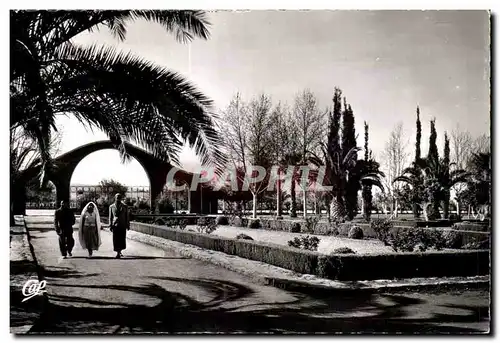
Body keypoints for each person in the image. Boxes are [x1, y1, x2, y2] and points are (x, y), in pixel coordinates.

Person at [109, 193, 129, 258]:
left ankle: (119, 251)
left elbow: (127, 216)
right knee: (116, 239)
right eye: (117, 197)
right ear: (115, 198)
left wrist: (127, 225)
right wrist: (110, 225)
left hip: (122, 225)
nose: (118, 199)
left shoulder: (125, 206)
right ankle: (118, 252)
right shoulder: (111, 207)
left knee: (122, 239)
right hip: (115, 225)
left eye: (119, 197)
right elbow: (110, 217)